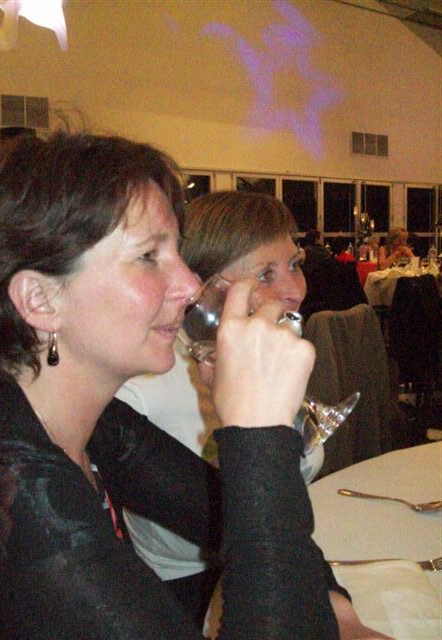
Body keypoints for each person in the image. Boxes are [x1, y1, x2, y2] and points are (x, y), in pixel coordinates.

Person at [0, 131, 339, 639]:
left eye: (177, 252)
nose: (190, 284)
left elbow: (235, 514)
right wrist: (259, 433)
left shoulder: (88, 421)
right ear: (40, 300)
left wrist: (338, 603)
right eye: (147, 257)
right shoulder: (16, 498)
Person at [119, 192, 389, 640]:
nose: (295, 290)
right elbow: (245, 509)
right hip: (187, 598)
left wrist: (337, 607)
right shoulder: (142, 391)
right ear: (202, 290)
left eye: (294, 264)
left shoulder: (260, 353)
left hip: (280, 556)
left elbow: (276, 508)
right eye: (265, 274)